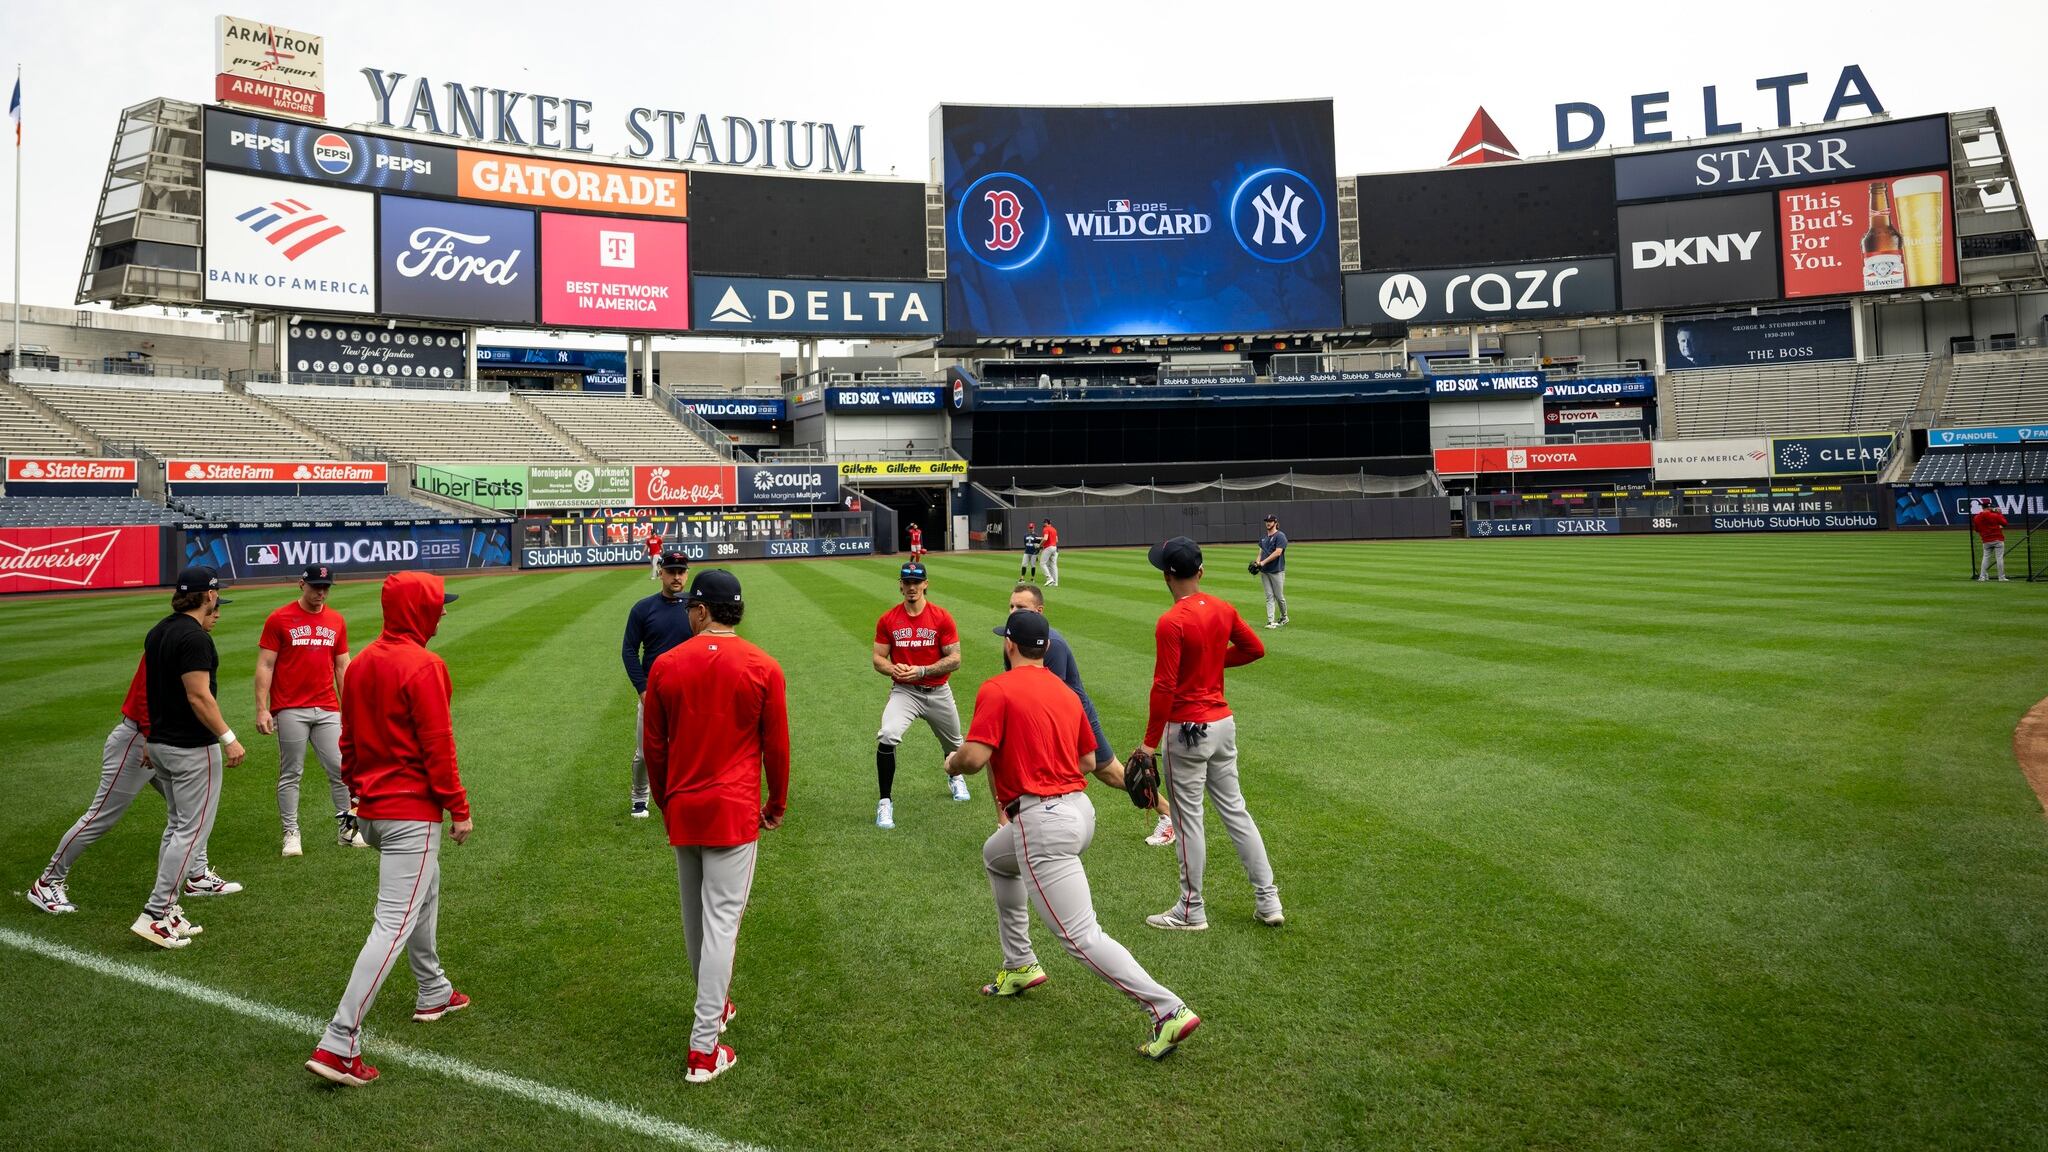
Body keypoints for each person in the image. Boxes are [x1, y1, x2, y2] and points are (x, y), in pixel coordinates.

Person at [946, 609, 1202, 1060]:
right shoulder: (1065, 693)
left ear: (1009, 644)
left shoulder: (997, 687)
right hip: (1081, 814)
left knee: (1081, 936)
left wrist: (952, 762)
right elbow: (1089, 761)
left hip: (1043, 823)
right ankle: (1020, 962)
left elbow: (974, 758)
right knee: (994, 855)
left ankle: (1168, 1009)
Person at [305, 571, 471, 1088]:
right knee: (393, 923)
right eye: (437, 604)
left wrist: (357, 792)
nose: (443, 611)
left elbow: (346, 744)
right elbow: (437, 747)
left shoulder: (362, 665)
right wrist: (458, 808)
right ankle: (339, 1041)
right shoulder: (423, 664)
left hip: (373, 809)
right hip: (410, 814)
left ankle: (433, 989)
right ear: (417, 609)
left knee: (426, 890)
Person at [642, 569, 790, 1084]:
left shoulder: (666, 665)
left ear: (704, 611)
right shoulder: (763, 665)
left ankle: (717, 1006)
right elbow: (777, 746)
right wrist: (777, 802)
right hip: (733, 809)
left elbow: (653, 747)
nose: (687, 613)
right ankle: (704, 1048)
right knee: (721, 924)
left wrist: (665, 800)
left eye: (691, 607)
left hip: (684, 805)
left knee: (696, 922)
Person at [1139, 537, 1283, 931]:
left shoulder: (1172, 621)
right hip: (1222, 724)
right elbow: (1254, 649)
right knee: (1236, 811)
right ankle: (1268, 900)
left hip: (1185, 729)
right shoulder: (1222, 607)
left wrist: (1148, 742)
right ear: (1200, 572)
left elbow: (1164, 686)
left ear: (1167, 576)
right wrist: (1213, 660)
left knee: (1188, 821)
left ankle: (1191, 908)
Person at [28, 653, 226, 914]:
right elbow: (148, 692)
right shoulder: (171, 640)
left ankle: (197, 875)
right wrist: (148, 733)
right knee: (101, 816)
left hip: (161, 741)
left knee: (190, 812)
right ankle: (47, 882)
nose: (216, 616)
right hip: (137, 741)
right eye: (212, 610)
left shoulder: (185, 638)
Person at [1003, 583, 1172, 846]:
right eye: (1011, 606)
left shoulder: (1052, 645)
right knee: (1111, 774)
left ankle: (1169, 814)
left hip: (1074, 718)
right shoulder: (1014, 640)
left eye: (1021, 607)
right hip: (1060, 717)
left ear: (1039, 610)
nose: (1013, 611)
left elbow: (1048, 696)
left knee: (1112, 773)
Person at [131, 567, 247, 948]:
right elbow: (198, 695)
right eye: (216, 594)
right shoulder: (194, 638)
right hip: (190, 748)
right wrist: (228, 737)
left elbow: (152, 691)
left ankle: (170, 908)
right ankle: (156, 913)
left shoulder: (160, 629)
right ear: (208, 595)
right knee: (191, 832)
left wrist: (151, 736)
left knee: (177, 827)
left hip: (162, 743)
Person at [256, 565, 359, 856]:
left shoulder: (336, 620)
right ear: (302, 585)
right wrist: (261, 709)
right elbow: (266, 664)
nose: (321, 592)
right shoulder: (279, 619)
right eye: (316, 586)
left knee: (341, 771)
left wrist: (349, 707)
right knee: (291, 772)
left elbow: (342, 665)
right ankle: (291, 832)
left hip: (327, 706)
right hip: (290, 707)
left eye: (325, 587)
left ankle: (347, 830)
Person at [871, 561, 967, 828]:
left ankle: (955, 777)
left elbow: (956, 659)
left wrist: (922, 670)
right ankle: (885, 803)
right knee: (888, 734)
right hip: (905, 692)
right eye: (907, 582)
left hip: (938, 690)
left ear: (926, 584)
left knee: (956, 747)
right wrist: (894, 668)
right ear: (900, 585)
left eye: (917, 582)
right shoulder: (888, 619)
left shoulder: (941, 617)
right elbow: (878, 658)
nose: (912, 587)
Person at [622, 550, 695, 818]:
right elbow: (629, 650)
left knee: (689, 748)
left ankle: (683, 795)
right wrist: (642, 688)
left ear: (687, 574)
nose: (677, 577)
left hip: (690, 691)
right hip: (654, 691)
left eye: (681, 571)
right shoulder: (643, 608)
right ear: (660, 572)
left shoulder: (696, 608)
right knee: (645, 752)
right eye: (672, 571)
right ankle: (640, 797)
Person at [1254, 514, 1290, 628]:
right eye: (1266, 521)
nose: (1268, 523)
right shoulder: (1264, 538)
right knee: (1269, 596)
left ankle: (1284, 617)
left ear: (1275, 522)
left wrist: (1263, 563)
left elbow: (1278, 552)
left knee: (1279, 597)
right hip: (1264, 571)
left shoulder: (1280, 536)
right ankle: (1271, 621)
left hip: (1277, 570)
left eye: (1270, 521)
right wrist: (1257, 563)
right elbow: (1260, 552)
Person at [1973, 497, 2010, 582]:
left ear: (1982, 507)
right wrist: (1999, 513)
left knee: (1985, 558)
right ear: (1989, 507)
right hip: (1998, 539)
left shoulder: (1976, 517)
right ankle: (2001, 577)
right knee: (1999, 558)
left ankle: (1982, 577)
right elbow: (2005, 523)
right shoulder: (1995, 515)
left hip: (1986, 540)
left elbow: (1977, 530)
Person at [1040, 519, 1061, 587]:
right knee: (1053, 565)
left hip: (1048, 548)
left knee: (1042, 563)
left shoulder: (1046, 529)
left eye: (1044, 522)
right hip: (1054, 548)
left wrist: (1040, 545)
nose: (1043, 524)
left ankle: (1049, 578)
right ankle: (1055, 583)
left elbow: (1045, 538)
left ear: (1046, 523)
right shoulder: (1054, 529)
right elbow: (1057, 540)